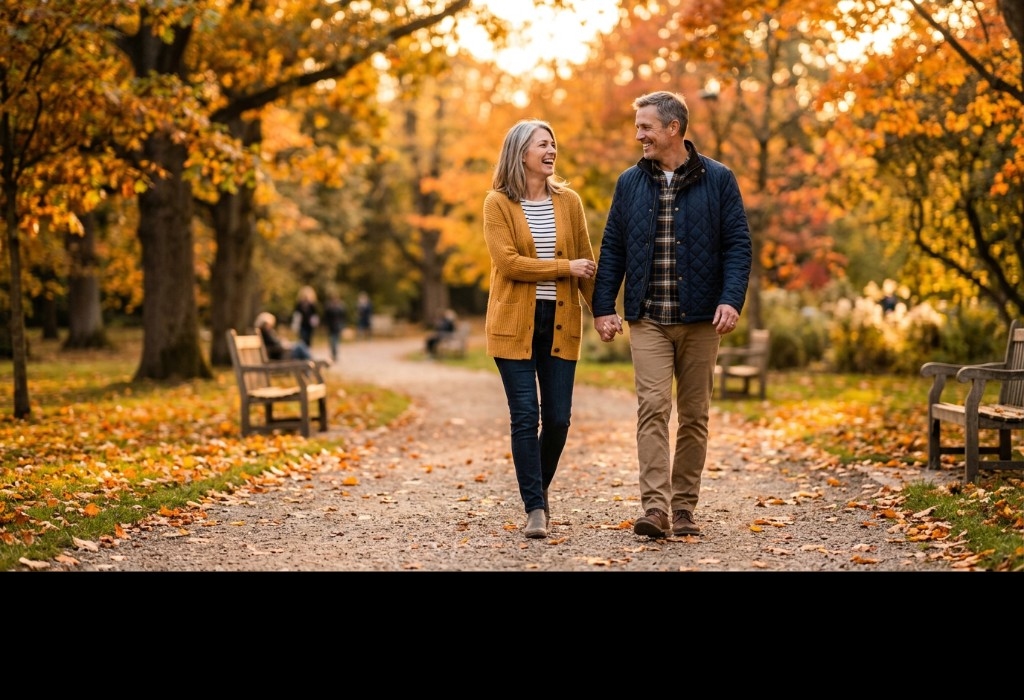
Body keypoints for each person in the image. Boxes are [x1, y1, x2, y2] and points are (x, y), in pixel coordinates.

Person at [592, 90, 752, 539]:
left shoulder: (719, 179)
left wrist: (730, 299)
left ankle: (683, 508)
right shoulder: (629, 182)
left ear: (673, 128)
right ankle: (655, 508)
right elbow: (613, 247)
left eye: (645, 127)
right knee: (653, 408)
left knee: (695, 415)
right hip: (648, 317)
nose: (638, 135)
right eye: (638, 127)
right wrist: (603, 307)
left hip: (702, 319)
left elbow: (738, 246)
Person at [483, 118, 597, 540]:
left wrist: (603, 312)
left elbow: (586, 263)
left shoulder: (569, 202)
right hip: (513, 324)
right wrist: (564, 267)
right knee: (525, 416)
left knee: (559, 419)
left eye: (553, 144)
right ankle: (535, 508)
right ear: (520, 153)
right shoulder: (497, 203)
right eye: (542, 144)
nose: (551, 151)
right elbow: (509, 263)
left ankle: (538, 492)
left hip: (561, 321)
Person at [322, 291, 349, 363]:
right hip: (331, 327)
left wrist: (343, 326)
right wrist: (325, 325)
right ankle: (333, 353)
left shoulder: (341, 307)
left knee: (336, 341)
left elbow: (344, 317)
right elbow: (326, 317)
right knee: (332, 341)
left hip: (338, 327)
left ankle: (335, 354)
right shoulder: (328, 307)